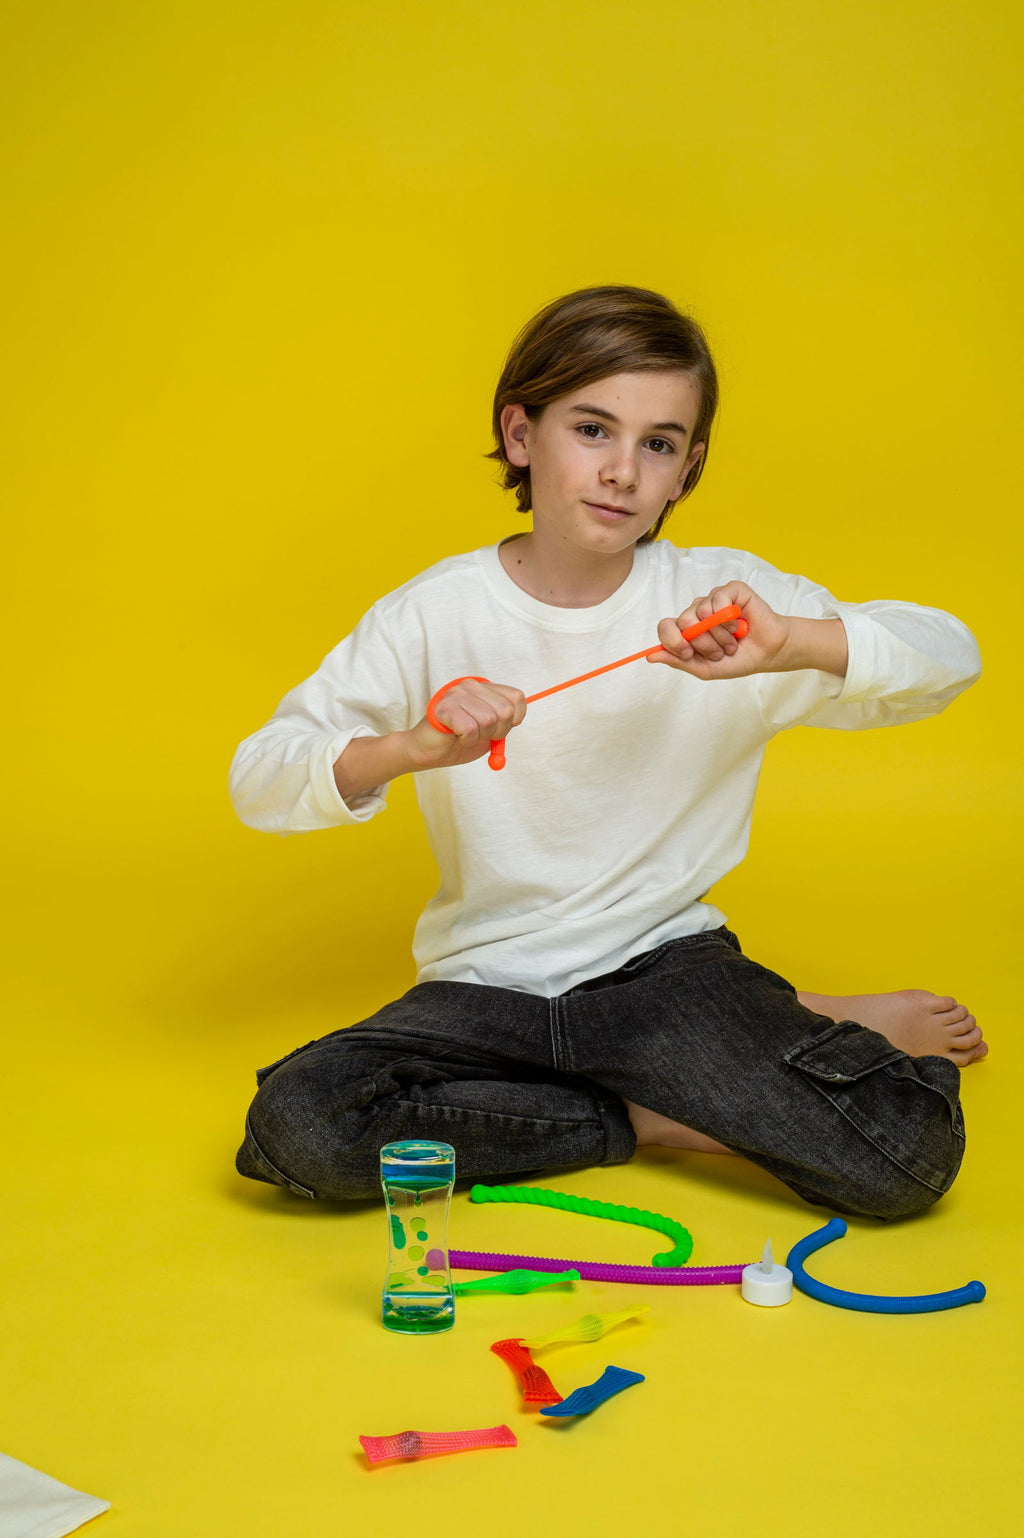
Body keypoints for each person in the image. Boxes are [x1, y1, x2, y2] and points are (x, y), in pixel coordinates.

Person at [228, 284, 985, 1220]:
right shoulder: (432, 611)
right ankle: (647, 1114)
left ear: (685, 470)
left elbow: (952, 656)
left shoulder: (725, 606)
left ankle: (752, 1043)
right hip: (484, 990)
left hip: (663, 976)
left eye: (658, 444)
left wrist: (793, 640)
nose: (623, 470)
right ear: (520, 435)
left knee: (899, 1156)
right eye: (592, 429)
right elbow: (259, 778)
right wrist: (407, 748)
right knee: (303, 1123)